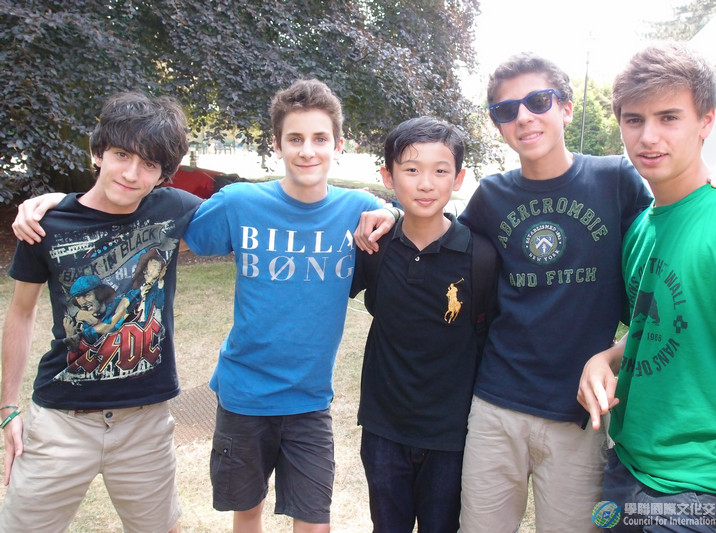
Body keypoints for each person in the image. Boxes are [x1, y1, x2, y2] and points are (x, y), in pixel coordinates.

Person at [354, 53, 716, 532]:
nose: (524, 116)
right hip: (495, 404)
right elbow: (441, 232)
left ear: (566, 108)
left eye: (538, 101)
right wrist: (392, 213)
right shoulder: (492, 196)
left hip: (580, 412)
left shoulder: (616, 180)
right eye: (508, 110)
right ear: (498, 125)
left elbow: (671, 217)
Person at [577, 42, 716, 532]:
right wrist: (604, 359)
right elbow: (662, 330)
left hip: (707, 495)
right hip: (627, 473)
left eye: (669, 117)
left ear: (706, 122)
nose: (648, 136)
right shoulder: (640, 230)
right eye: (634, 120)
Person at [180, 79, 389, 533]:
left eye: (319, 139)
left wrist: (391, 212)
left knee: (315, 521)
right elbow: (172, 222)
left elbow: (418, 216)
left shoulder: (358, 208)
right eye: (295, 139)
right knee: (247, 512)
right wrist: (62, 203)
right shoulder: (240, 202)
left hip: (309, 400)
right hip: (244, 395)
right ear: (277, 145)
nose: (307, 151)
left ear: (337, 145)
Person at [0, 91, 202, 532]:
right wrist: (7, 407)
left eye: (149, 164)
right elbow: (20, 313)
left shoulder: (175, 210)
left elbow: (255, 214)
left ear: (163, 175)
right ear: (98, 153)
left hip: (144, 422)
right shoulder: (45, 225)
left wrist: (364, 211)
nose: (131, 174)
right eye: (121, 155)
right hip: (61, 421)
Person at [350, 116, 497, 532]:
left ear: (459, 178)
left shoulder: (481, 256)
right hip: (383, 428)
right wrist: (385, 212)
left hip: (452, 434)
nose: (426, 184)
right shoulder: (373, 246)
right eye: (411, 170)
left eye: (440, 171)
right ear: (388, 177)